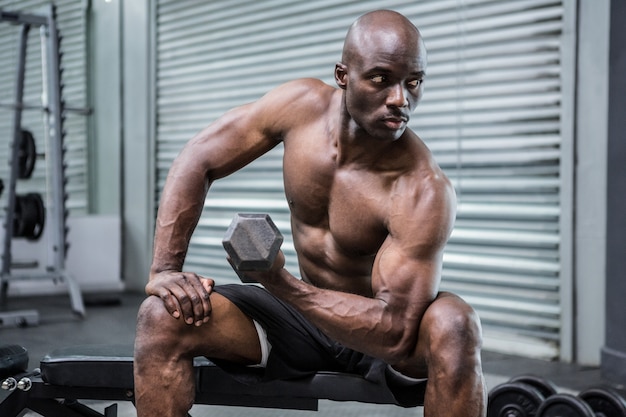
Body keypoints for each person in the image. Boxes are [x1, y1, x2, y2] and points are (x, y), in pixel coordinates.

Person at [134, 9, 486, 417]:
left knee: (454, 324)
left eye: (413, 83)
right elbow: (197, 159)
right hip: (302, 324)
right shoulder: (298, 107)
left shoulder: (422, 187)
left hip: (381, 342)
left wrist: (278, 282)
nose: (400, 99)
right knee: (161, 315)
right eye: (380, 79)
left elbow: (395, 331)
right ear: (343, 76)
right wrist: (164, 270)